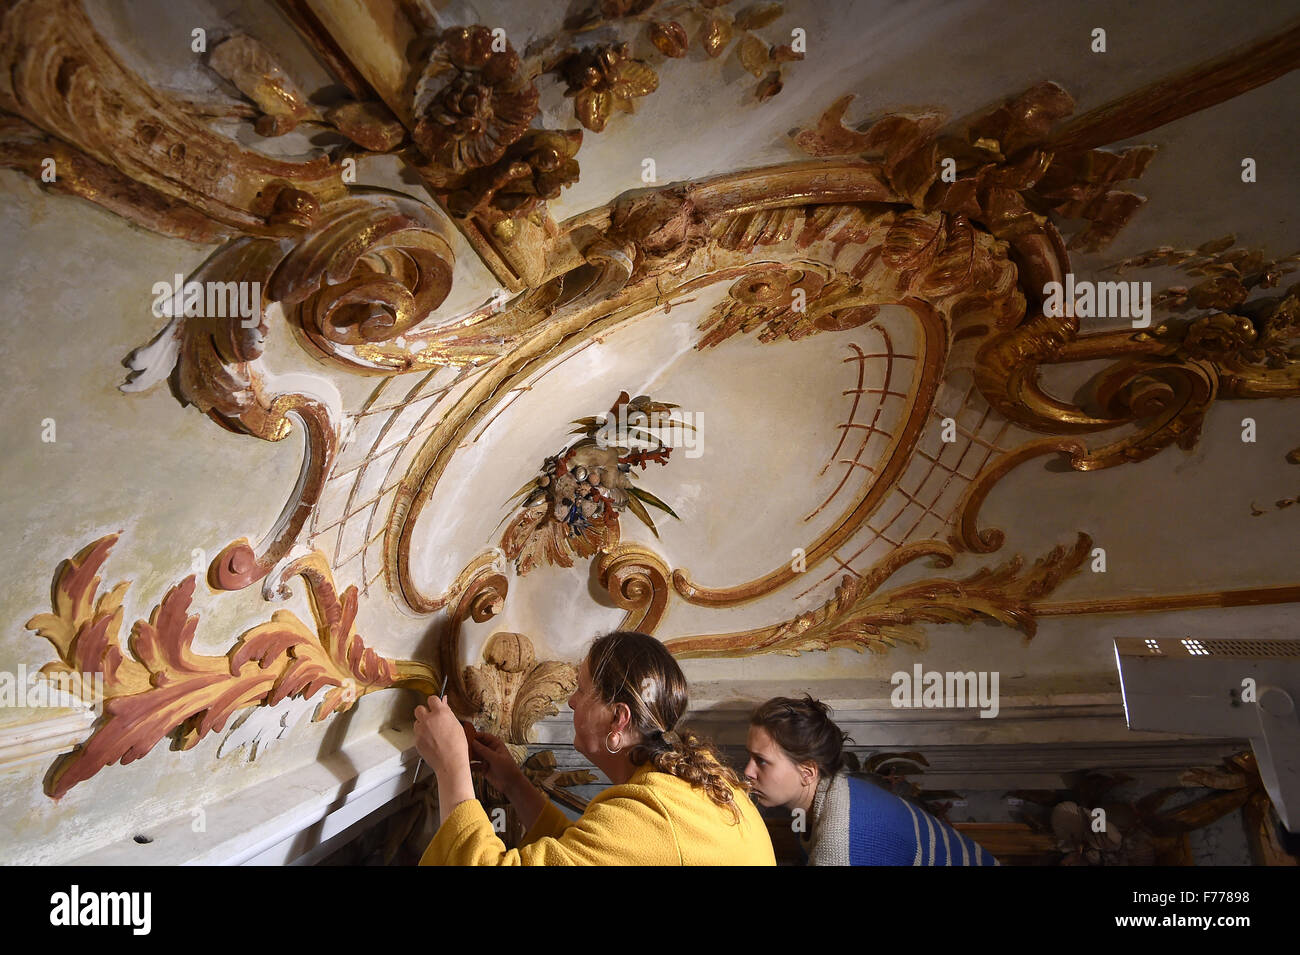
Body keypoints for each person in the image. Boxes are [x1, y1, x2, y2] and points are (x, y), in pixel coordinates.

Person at [415, 630, 775, 865]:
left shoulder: (652, 817)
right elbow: (586, 853)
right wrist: (512, 782)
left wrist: (452, 770)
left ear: (618, 718)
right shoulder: (695, 782)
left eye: (583, 690)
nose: (572, 701)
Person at [746, 695, 999, 866]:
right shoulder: (837, 793)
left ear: (808, 772)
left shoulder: (841, 841)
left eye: (762, 760)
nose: (748, 771)